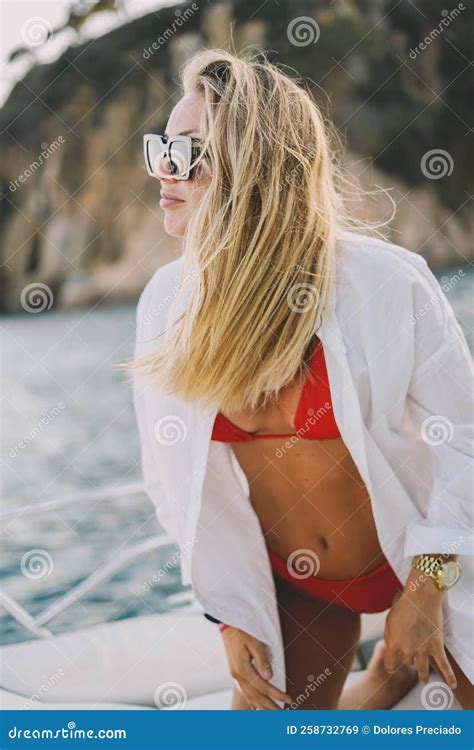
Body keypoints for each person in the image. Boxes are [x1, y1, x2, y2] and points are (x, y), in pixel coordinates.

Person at [129, 48, 473, 710]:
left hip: (428, 561)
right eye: (160, 149)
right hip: (297, 585)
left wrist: (427, 586)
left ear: (252, 166)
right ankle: (385, 680)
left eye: (185, 154)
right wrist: (231, 614)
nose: (162, 172)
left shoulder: (384, 282)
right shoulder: (166, 302)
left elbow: (465, 440)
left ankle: (392, 672)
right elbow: (169, 479)